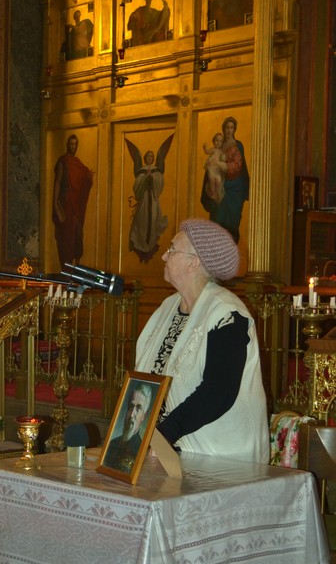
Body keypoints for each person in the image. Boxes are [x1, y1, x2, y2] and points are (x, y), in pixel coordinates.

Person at [136, 219, 269, 462]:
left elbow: (218, 392)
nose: (164, 256)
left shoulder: (227, 314)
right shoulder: (167, 307)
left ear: (194, 263)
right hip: (162, 448)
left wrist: (164, 433)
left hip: (218, 457)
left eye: (172, 249)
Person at [200, 115, 249, 243]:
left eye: (231, 127)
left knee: (232, 223)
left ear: (234, 129)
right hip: (219, 189)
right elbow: (210, 165)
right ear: (223, 129)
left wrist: (222, 165)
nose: (229, 130)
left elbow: (239, 166)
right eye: (227, 127)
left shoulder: (238, 145)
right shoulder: (219, 146)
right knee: (217, 222)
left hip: (234, 190)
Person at [127, 135, 174, 262]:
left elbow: (160, 182)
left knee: (153, 221)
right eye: (148, 156)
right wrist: (144, 179)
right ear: (144, 158)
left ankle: (150, 246)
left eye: (151, 156)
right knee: (141, 222)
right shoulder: (141, 171)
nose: (149, 158)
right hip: (143, 201)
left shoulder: (156, 171)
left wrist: (152, 178)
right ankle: (141, 245)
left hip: (153, 200)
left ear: (153, 159)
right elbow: (137, 186)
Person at [52, 134, 94, 268]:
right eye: (71, 144)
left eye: (75, 144)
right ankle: (66, 268)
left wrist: (89, 177)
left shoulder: (77, 163)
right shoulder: (63, 161)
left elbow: (84, 177)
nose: (72, 146)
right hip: (65, 203)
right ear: (67, 145)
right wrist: (55, 205)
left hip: (76, 205)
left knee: (77, 234)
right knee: (66, 237)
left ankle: (76, 268)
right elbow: (57, 183)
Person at [104, 381, 154, 473]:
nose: (131, 415)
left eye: (138, 408)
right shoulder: (111, 444)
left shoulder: (140, 451)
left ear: (144, 416)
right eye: (131, 407)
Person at [202, 133, 227, 202]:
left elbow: (223, 158)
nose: (218, 143)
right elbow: (207, 152)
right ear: (214, 141)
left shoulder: (221, 151)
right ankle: (212, 193)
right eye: (217, 140)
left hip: (217, 169)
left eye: (220, 141)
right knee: (212, 181)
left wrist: (224, 158)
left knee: (218, 180)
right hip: (211, 168)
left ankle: (217, 193)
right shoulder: (213, 149)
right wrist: (205, 148)